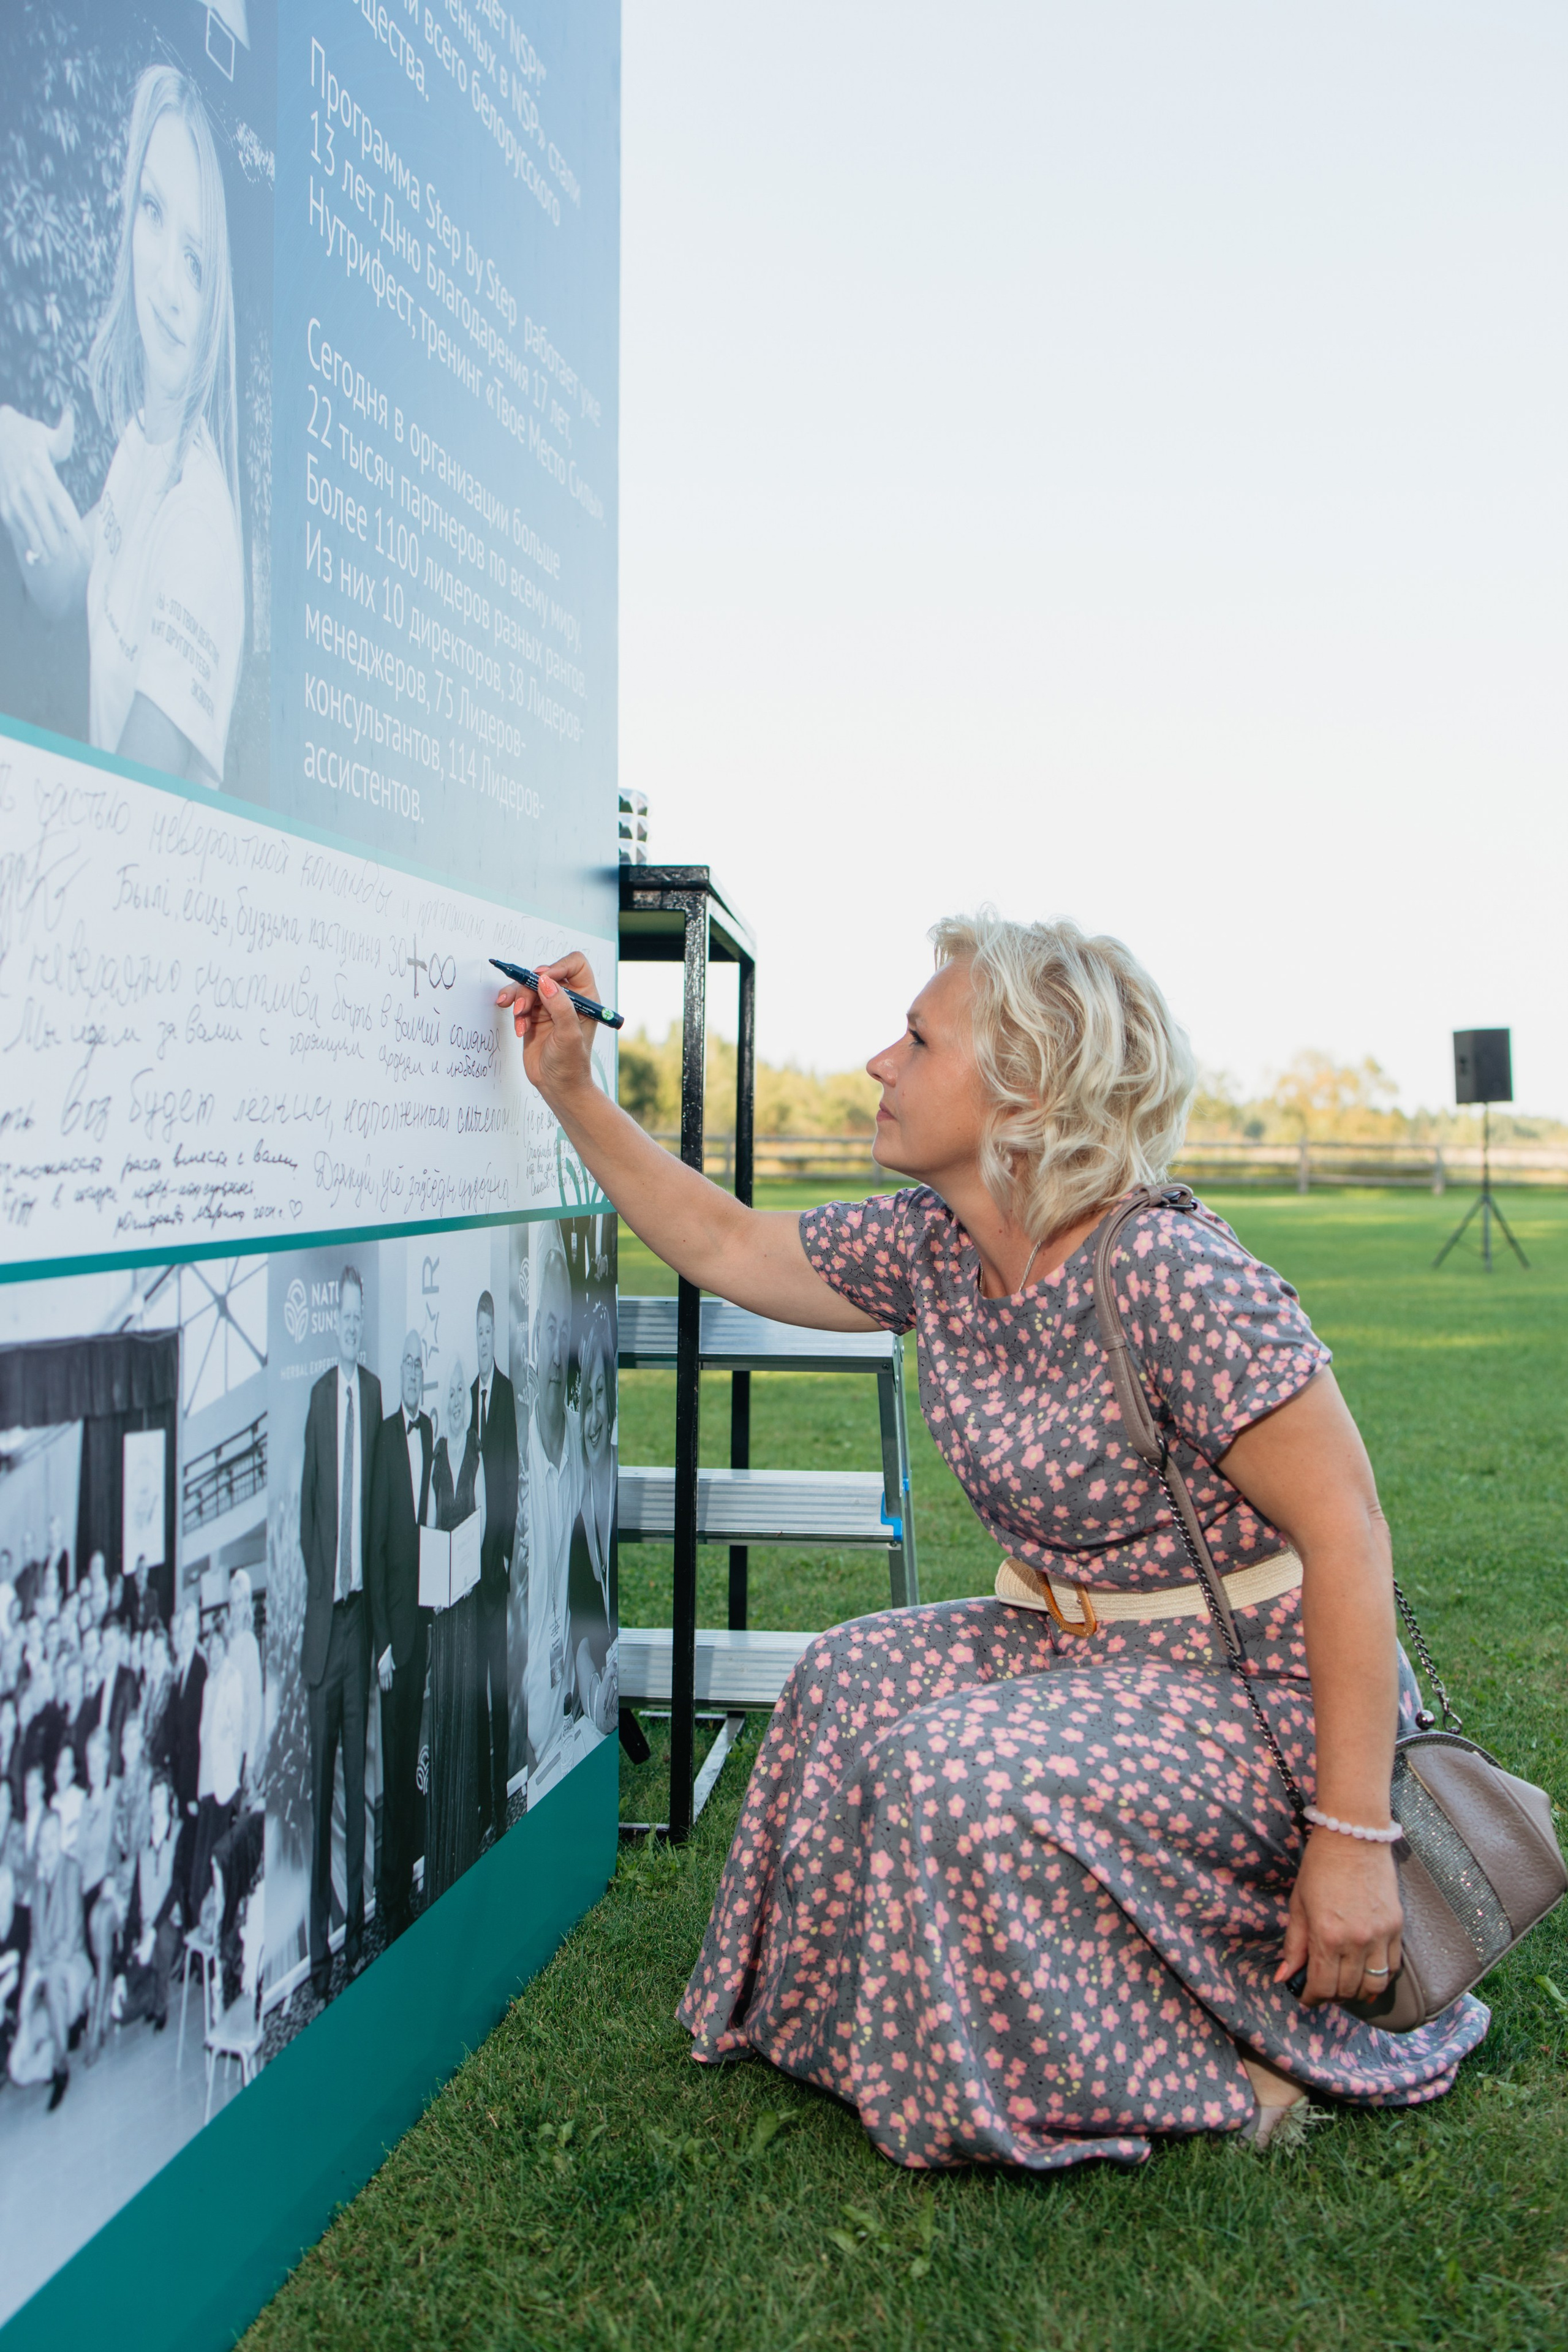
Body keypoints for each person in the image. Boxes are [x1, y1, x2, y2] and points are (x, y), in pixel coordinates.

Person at [498, 915, 1488, 2168]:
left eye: (917, 1041)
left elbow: (1348, 1536)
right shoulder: (936, 1246)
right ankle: (855, 2029)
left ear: (1026, 1083)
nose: (879, 1062)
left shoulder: (1169, 1269)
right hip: (1078, 1651)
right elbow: (728, 1243)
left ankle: (1216, 2067)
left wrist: (1353, 1840)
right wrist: (572, 1088)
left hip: (1260, 1696)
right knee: (842, 1680)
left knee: (947, 1768)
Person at [0, 64, 245, 785]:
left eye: (195, 263)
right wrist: (15, 470)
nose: (166, 285)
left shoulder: (198, 528)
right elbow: (69, 584)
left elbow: (129, 816)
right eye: (152, 210)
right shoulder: (143, 440)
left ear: (217, 300)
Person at [299, 1265, 380, 1999]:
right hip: (325, 1634)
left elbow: (377, 1510)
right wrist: (325, 1591)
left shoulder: (375, 1395)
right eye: (344, 1319)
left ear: (365, 1322)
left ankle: (357, 1939)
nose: (352, 1328)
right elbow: (308, 1516)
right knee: (321, 1798)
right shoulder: (321, 1398)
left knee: (357, 1790)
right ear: (334, 1324)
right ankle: (318, 1958)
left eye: (360, 1319)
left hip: (361, 1629)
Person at [368, 1330, 434, 1940]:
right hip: (396, 1640)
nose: (413, 1373)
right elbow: (374, 1546)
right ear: (399, 1373)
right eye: (407, 1364)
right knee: (392, 1772)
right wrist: (383, 1644)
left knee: (414, 1757)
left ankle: (410, 1879)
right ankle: (388, 1901)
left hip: (426, 1628)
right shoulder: (385, 1438)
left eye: (419, 1364)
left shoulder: (431, 1432)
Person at [424, 1357, 484, 1903]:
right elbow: (427, 1528)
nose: (457, 1402)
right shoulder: (436, 1460)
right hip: (443, 1617)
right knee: (443, 1722)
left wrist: (465, 1574)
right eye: (450, 1394)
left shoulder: (477, 1457)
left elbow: (481, 1528)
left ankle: (463, 1850)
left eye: (462, 1393)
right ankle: (440, 1858)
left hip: (468, 1608)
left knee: (465, 1720)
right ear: (444, 1403)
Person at [521, 1235, 579, 1787]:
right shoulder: (515, 1455)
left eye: (567, 1332)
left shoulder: (584, 1453)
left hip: (570, 1716)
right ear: (536, 1334)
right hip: (523, 1718)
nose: (558, 1348)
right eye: (550, 1329)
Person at [471, 1291, 519, 1840]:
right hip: (468, 1570)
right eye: (478, 1335)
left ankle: (502, 1797)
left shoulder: (504, 1393)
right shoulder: (468, 1396)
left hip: (496, 1561)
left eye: (489, 1334)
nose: (484, 1342)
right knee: (476, 1681)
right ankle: (483, 1802)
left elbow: (510, 1474)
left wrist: (503, 1550)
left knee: (499, 1683)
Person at [9, 1809, 90, 2108]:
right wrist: (26, 1997)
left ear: (60, 1840)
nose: (47, 1845)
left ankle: (61, 2069)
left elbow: (70, 1938)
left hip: (73, 1970)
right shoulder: (38, 1888)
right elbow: (34, 1946)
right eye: (42, 1840)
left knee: (54, 1975)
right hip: (49, 1985)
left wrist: (40, 1973)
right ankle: (58, 2044)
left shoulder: (72, 1870)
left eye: (52, 1837)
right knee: (17, 2069)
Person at [564, 1300, 617, 1739]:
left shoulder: (621, 1482)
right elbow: (581, 1641)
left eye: (601, 1393)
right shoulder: (576, 1512)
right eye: (586, 1401)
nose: (594, 1416)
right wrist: (594, 1695)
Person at [191, 1624, 243, 1928]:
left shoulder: (232, 1679)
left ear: (225, 1649)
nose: (213, 1653)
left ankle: (218, 1929)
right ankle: (202, 1925)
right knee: (201, 1863)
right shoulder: (209, 1684)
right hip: (207, 1785)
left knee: (216, 1862)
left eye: (217, 1648)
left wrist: (234, 1778)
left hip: (224, 1785)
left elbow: (238, 1731)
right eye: (209, 1649)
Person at [164, 1604, 206, 1919]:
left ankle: (191, 1918)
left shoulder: (200, 1668)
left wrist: (191, 1792)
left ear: (197, 1629)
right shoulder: (179, 1670)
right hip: (179, 1780)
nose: (184, 1633)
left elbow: (197, 1738)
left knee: (192, 1852)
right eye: (180, 1628)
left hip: (192, 1783)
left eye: (189, 1627)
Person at [227, 1570, 263, 1798]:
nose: (235, 1609)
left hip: (242, 1751)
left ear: (246, 1605)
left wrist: (249, 1762)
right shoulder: (224, 1643)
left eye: (239, 1602)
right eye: (232, 1603)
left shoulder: (249, 1644)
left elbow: (255, 1704)